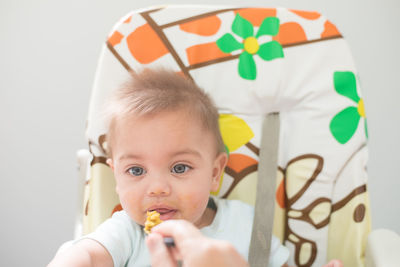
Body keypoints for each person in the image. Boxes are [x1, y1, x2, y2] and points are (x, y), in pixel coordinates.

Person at [48, 68, 341, 267]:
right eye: (136, 170)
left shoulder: (245, 223)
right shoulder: (126, 232)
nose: (158, 187)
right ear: (116, 175)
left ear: (215, 173)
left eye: (179, 168)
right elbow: (87, 255)